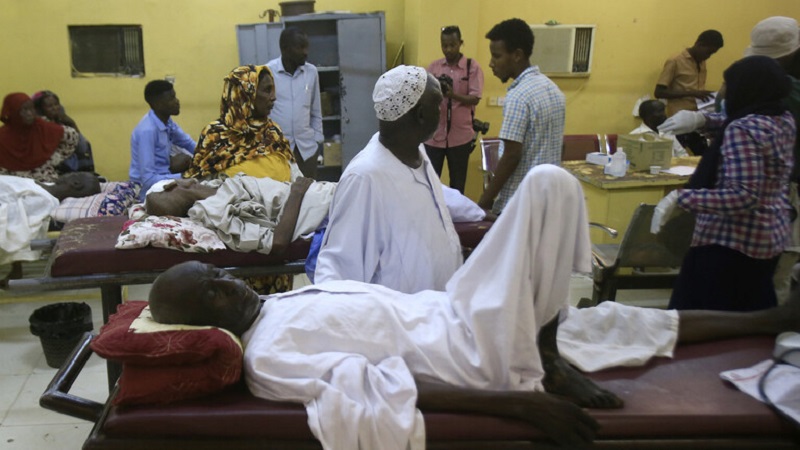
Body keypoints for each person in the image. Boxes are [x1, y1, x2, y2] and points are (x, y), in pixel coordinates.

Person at [149, 165, 800, 449]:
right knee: (548, 184)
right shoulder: (268, 356)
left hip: (453, 310)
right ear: (203, 321)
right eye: (209, 290)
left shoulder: (281, 303)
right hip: (468, 352)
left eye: (217, 273)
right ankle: (540, 356)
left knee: (609, 321)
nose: (226, 283)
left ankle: (771, 320)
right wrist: (518, 405)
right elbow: (388, 390)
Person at [655, 55, 796, 312]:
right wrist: (702, 119)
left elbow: (744, 195)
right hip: (769, 236)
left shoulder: (741, 130)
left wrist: (682, 198)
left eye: (727, 84)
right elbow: (742, 119)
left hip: (730, 243)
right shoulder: (782, 118)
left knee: (700, 318)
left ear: (746, 88)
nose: (722, 92)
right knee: (750, 316)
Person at [314, 65, 463, 294]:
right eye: (437, 105)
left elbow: (436, 199)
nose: (441, 112)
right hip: (397, 314)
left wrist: (480, 213)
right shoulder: (365, 178)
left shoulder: (417, 154)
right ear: (421, 115)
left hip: (437, 307)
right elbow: (337, 276)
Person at [739, 17, 800, 305]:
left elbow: (744, 193)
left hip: (785, 194)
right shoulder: (783, 98)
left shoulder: (785, 94)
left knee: (779, 273)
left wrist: (685, 198)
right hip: (780, 197)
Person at [478, 18, 566, 214]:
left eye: (497, 56)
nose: (491, 63)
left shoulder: (518, 96)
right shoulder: (554, 90)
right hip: (549, 201)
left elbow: (512, 155)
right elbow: (560, 146)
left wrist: (484, 202)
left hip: (520, 205)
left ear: (517, 55)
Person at [145, 175, 333, 255]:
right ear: (171, 185)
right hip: (326, 207)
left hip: (324, 193)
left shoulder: (213, 187)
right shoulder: (214, 212)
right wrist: (297, 193)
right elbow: (277, 243)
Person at [185, 65, 298, 183]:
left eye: (272, 90)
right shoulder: (215, 135)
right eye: (267, 90)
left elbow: (293, 171)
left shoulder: (272, 131)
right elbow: (201, 183)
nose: (273, 97)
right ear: (245, 94)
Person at [0, 172, 101, 283]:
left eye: (73, 174)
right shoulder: (45, 187)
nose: (68, 173)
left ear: (76, 183)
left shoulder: (44, 200)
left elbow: (14, 217)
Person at [424, 25, 485, 194]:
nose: (448, 49)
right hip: (435, 135)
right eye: (444, 45)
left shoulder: (472, 67)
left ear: (460, 43)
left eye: (452, 45)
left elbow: (475, 98)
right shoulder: (434, 67)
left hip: (460, 137)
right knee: (430, 183)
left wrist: (453, 95)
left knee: (458, 185)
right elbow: (424, 95)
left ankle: (455, 212)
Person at [267, 27, 324, 179]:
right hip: (278, 151)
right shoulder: (268, 72)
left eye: (306, 47)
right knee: (280, 191)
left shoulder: (311, 72)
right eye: (300, 47)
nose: (306, 52)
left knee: (309, 191)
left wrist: (317, 140)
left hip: (307, 151)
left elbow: (316, 110)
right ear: (285, 49)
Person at [129, 80, 196, 201]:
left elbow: (188, 143)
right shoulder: (147, 131)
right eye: (171, 98)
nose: (177, 101)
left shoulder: (167, 122)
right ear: (158, 104)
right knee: (199, 192)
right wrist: (184, 177)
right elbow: (148, 179)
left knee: (190, 163)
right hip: (147, 189)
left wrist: (209, 158)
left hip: (164, 176)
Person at [0, 93, 79, 183]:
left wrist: (53, 159)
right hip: (13, 181)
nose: (30, 113)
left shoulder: (42, 127)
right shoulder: (2, 136)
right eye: (24, 110)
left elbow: (72, 136)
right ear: (13, 112)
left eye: (31, 108)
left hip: (42, 178)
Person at [654, 30, 724, 117]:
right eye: (708, 52)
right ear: (699, 44)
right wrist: (692, 93)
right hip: (678, 117)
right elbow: (659, 92)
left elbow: (696, 90)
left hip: (697, 115)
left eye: (712, 54)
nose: (709, 56)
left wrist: (707, 95)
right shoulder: (675, 61)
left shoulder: (702, 62)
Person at [31, 90, 95, 173]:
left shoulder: (64, 123)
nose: (55, 108)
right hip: (51, 167)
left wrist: (72, 123)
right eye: (49, 106)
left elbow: (83, 147)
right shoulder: (40, 127)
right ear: (40, 109)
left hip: (69, 165)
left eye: (56, 104)